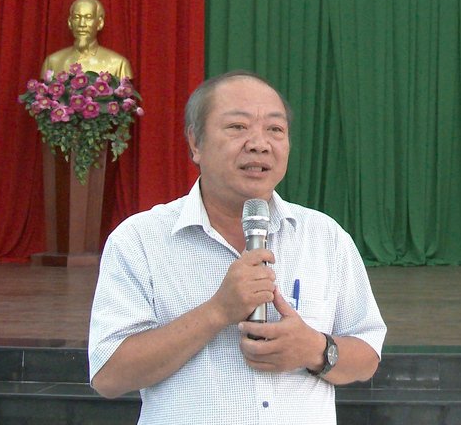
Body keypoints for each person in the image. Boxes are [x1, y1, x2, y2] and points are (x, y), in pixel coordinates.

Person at [88, 71, 386, 423]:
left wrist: (315, 350)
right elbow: (109, 376)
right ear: (195, 142)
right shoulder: (140, 239)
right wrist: (218, 311)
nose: (260, 143)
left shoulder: (325, 237)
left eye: (275, 129)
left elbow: (367, 355)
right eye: (237, 127)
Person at [41, 0, 133, 80]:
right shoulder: (52, 62)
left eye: (88, 18)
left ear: (100, 23)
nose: (82, 24)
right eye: (77, 17)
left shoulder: (118, 64)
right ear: (70, 22)